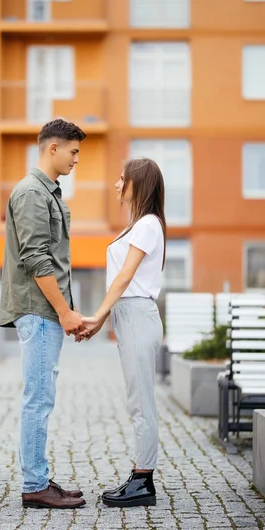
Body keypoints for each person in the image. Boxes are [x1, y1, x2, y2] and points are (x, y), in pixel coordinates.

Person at [0, 118, 87, 509]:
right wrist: (64, 312)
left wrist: (67, 311)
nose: (76, 159)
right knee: (38, 399)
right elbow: (36, 259)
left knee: (42, 396)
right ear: (53, 148)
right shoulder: (32, 193)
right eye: (73, 151)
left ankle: (39, 476)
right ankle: (34, 485)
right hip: (38, 311)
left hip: (45, 311)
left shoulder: (48, 193)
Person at [77, 158, 166, 508]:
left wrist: (98, 316)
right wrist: (105, 316)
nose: (117, 185)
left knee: (141, 400)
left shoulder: (147, 224)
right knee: (136, 399)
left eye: (122, 179)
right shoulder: (140, 225)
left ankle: (144, 481)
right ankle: (140, 473)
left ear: (137, 184)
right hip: (130, 316)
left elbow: (125, 277)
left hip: (138, 315)